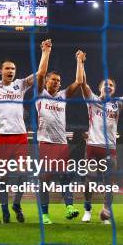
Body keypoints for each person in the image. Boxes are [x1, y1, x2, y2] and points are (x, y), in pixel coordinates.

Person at [0, 34, 50, 223]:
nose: (11, 71)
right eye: (8, 68)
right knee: (2, 178)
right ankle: (5, 212)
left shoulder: (20, 85)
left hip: (20, 136)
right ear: (1, 71)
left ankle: (16, 203)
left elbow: (41, 74)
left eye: (13, 69)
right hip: (1, 137)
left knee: (25, 173)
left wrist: (45, 52)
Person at [79, 57, 123, 224]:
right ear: (100, 88)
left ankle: (106, 211)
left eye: (111, 85)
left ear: (114, 90)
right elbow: (82, 83)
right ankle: (87, 209)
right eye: (105, 85)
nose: (108, 86)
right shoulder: (92, 100)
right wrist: (81, 62)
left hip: (110, 149)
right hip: (93, 146)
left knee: (109, 183)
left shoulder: (117, 104)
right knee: (90, 180)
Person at [34, 40, 83, 225]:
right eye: (53, 80)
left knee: (65, 176)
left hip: (62, 143)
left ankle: (69, 207)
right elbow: (40, 73)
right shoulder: (40, 94)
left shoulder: (63, 96)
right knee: (45, 178)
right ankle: (45, 214)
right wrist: (46, 52)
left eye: (59, 81)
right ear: (47, 82)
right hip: (46, 142)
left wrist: (79, 61)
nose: (56, 83)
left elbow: (79, 81)